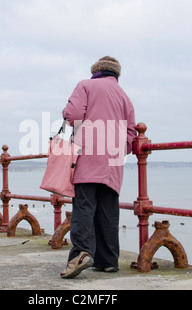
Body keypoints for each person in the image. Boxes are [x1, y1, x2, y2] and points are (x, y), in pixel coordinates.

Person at [60, 56, 137, 279]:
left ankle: (81, 254)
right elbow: (132, 133)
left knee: (84, 207)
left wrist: (66, 116)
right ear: (116, 74)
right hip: (113, 162)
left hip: (88, 156)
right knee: (108, 210)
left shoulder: (86, 85)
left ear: (96, 70)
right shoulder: (125, 97)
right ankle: (108, 260)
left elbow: (73, 115)